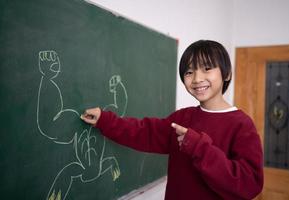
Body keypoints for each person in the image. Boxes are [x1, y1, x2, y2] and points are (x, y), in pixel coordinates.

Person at [80, 40, 264, 200]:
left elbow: (250, 184)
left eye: (207, 69)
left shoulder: (241, 124)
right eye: (189, 72)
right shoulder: (183, 118)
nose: (197, 78)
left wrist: (200, 148)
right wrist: (104, 120)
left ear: (227, 74)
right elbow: (144, 132)